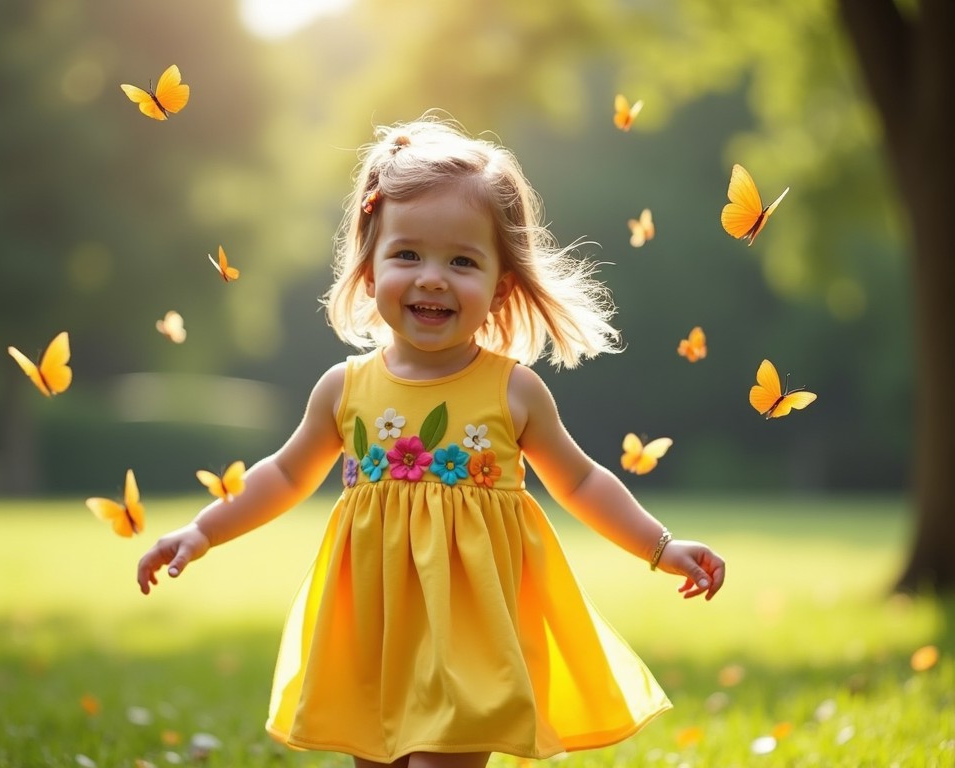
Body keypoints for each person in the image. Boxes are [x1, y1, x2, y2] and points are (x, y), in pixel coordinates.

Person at [136, 115, 726, 768]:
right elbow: (282, 475)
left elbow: (581, 481)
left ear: (501, 286)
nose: (433, 278)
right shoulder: (343, 388)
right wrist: (204, 529)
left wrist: (661, 546)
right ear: (368, 268)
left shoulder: (513, 391)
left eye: (463, 261)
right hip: (375, 628)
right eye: (407, 254)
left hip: (471, 635)